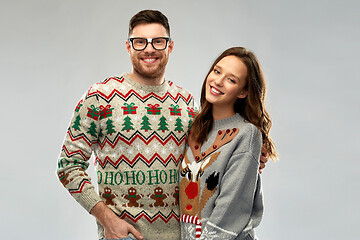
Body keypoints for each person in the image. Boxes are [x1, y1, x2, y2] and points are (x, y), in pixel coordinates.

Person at [57, 10, 269, 240]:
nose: (149, 49)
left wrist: (254, 154)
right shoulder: (99, 97)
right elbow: (68, 166)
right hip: (125, 236)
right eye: (140, 42)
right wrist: (107, 219)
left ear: (170, 47)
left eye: (158, 41)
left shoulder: (187, 104)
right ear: (129, 47)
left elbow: (210, 157)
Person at [179, 47, 277, 240]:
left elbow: (231, 205)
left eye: (231, 80)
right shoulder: (193, 127)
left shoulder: (247, 134)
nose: (218, 81)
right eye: (217, 71)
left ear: (242, 92)